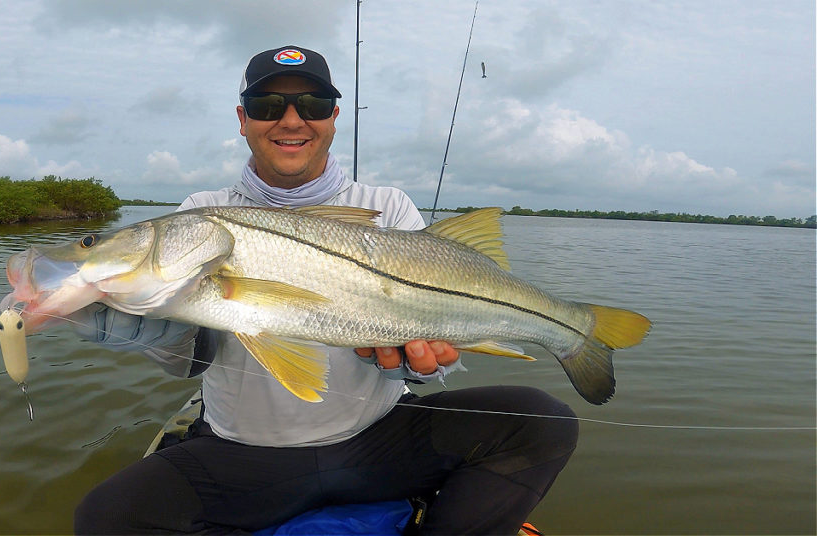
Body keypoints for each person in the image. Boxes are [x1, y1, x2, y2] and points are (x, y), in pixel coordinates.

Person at [72, 45, 577, 535]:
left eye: (311, 105)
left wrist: (423, 361)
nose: (291, 120)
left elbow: (430, 351)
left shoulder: (386, 206)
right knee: (107, 519)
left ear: (334, 117)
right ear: (243, 119)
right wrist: (149, 335)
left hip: (375, 441)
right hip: (243, 452)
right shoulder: (201, 210)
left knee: (543, 421)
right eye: (267, 105)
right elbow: (194, 356)